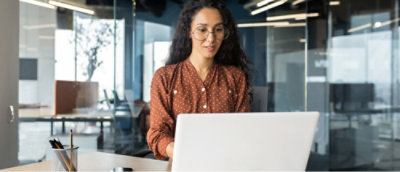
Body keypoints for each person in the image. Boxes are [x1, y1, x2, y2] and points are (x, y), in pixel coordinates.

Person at [147, 0, 251, 160]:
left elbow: (244, 131)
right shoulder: (165, 78)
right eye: (202, 30)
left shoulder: (235, 77)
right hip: (182, 166)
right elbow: (157, 134)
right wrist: (183, 151)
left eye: (218, 30)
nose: (211, 39)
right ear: (188, 31)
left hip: (226, 165)